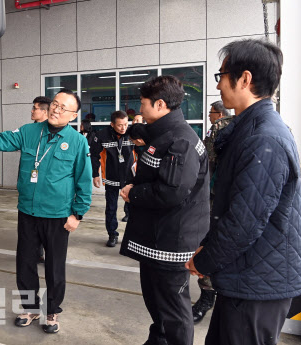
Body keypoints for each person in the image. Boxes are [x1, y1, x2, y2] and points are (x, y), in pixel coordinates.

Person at [186, 39, 301, 345]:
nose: (219, 84)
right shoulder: (250, 129)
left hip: (258, 282)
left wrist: (205, 260)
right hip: (246, 275)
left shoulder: (264, 137)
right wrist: (208, 249)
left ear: (245, 79)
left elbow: (245, 220)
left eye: (222, 75)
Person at [0, 89, 92, 334]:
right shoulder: (30, 132)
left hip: (58, 215)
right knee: (26, 263)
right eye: (55, 103)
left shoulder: (77, 142)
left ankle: (52, 311)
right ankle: (30, 308)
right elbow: (1, 141)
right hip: (28, 212)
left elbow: (84, 181)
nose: (56, 109)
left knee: (54, 267)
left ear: (72, 116)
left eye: (63, 107)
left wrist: (77, 214)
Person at [120, 76, 209, 345]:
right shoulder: (164, 132)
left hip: (171, 241)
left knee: (173, 310)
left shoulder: (180, 141)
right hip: (157, 237)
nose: (140, 110)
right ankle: (158, 340)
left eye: (143, 104)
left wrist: (132, 192)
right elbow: (143, 134)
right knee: (156, 303)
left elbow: (172, 191)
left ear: (160, 104)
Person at [191, 100, 232, 323]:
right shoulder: (220, 129)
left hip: (229, 201)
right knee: (208, 243)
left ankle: (215, 297)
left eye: (211, 112)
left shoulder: (224, 127)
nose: (208, 116)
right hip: (212, 199)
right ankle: (207, 297)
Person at [90, 111, 134, 247]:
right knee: (111, 207)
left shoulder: (132, 133)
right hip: (111, 177)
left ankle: (131, 237)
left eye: (126, 124)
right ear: (112, 124)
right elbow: (94, 155)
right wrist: (95, 175)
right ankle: (112, 234)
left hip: (130, 178)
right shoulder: (102, 135)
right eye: (120, 125)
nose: (123, 128)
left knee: (134, 208)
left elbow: (141, 152)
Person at [31, 96, 52, 264]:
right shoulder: (30, 131)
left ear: (44, 111)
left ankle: (47, 250)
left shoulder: (55, 133)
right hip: (32, 189)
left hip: (49, 189)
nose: (31, 111)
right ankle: (37, 252)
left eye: (35, 108)